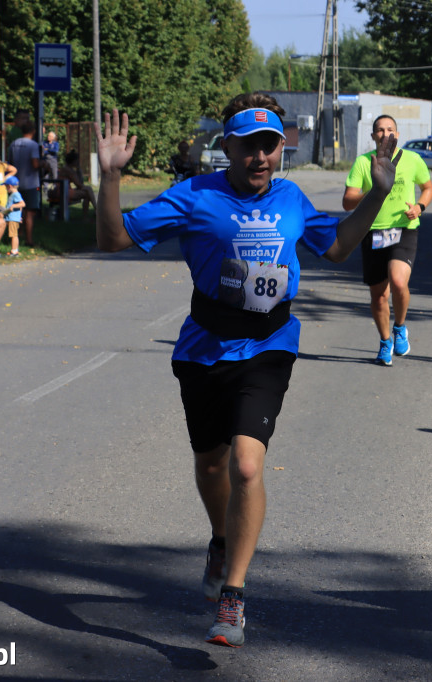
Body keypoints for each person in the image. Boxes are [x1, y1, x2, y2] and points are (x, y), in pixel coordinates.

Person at [95, 93, 401, 648]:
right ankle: (219, 538)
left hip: (269, 345)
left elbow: (335, 247)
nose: (261, 157)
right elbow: (113, 239)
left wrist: (379, 194)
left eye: (270, 146)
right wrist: (111, 179)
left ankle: (233, 595)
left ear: (280, 149)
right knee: (211, 466)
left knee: (246, 465)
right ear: (227, 148)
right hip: (204, 349)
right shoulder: (195, 196)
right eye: (249, 147)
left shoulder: (290, 196)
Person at [343, 114, 432, 366]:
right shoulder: (364, 163)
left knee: (397, 280)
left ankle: (400, 326)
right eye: (380, 130)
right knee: (379, 296)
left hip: (404, 228)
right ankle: (385, 341)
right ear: (373, 136)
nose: (385, 134)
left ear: (397, 134)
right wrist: (374, 189)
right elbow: (347, 201)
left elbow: (428, 188)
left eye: (390, 130)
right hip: (371, 232)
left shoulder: (412, 159)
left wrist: (419, 207)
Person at [8, 120, 42, 247]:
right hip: (31, 183)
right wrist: (44, 164)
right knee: (30, 212)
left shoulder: (14, 144)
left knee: (18, 210)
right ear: (33, 131)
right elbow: (35, 164)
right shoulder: (33, 145)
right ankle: (29, 240)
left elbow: (10, 163)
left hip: (16, 182)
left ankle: (18, 235)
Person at [48, 150, 96, 217]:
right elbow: (79, 185)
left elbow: (80, 183)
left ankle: (92, 212)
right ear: (73, 161)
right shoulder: (69, 170)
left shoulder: (66, 168)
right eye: (77, 160)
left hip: (62, 191)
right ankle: (95, 211)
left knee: (87, 191)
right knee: (88, 191)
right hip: (62, 193)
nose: (78, 162)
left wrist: (79, 170)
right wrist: (79, 170)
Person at [2, 175, 25, 257]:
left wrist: (12, 206)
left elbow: (22, 204)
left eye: (6, 186)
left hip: (13, 218)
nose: (5, 188)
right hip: (13, 217)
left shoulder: (16, 194)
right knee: (13, 234)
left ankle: (14, 251)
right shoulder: (13, 194)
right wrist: (20, 216)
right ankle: (14, 250)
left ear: (10, 186)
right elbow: (21, 206)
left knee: (14, 235)